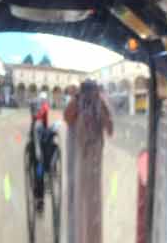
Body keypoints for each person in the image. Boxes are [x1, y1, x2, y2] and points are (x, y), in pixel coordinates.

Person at [64, 80, 115, 243]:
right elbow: (67, 117)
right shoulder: (77, 103)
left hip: (94, 165)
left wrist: (102, 105)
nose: (89, 95)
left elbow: (110, 129)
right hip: (80, 164)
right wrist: (78, 98)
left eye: (92, 91)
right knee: (79, 204)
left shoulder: (99, 105)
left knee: (93, 205)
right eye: (86, 91)